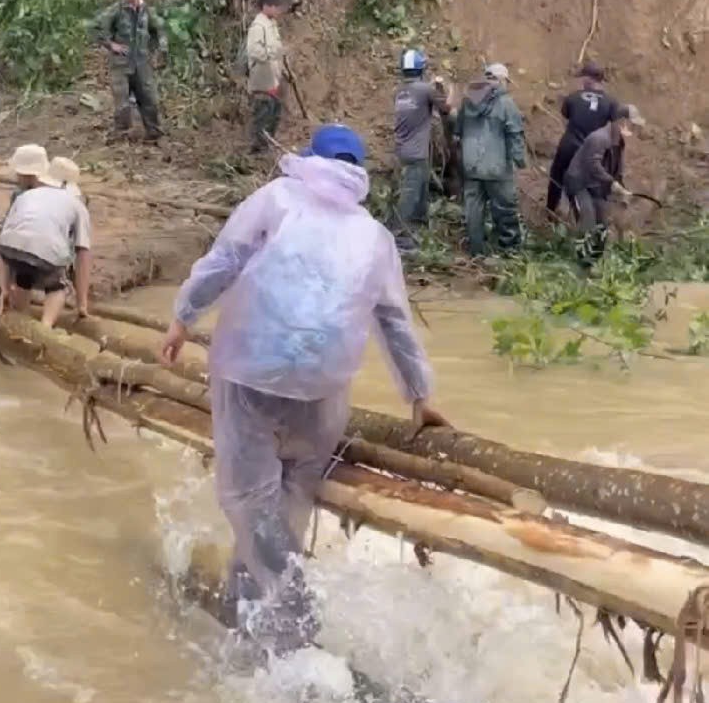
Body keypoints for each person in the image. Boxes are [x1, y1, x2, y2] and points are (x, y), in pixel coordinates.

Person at [161, 123, 444, 648]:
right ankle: (249, 600)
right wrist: (419, 396)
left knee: (250, 498)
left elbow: (223, 262)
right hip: (323, 390)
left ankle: (294, 620)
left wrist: (182, 317)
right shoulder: (374, 237)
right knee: (290, 496)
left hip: (249, 374)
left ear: (309, 158)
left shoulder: (277, 199)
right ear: (359, 175)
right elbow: (395, 323)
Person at [0, 149, 92, 327]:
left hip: (8, 248)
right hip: (44, 250)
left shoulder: (25, 195)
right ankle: (45, 327)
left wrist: (4, 288)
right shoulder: (77, 205)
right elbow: (83, 254)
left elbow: (6, 238)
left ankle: (21, 321)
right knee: (57, 286)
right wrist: (82, 304)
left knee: (23, 274)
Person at [454, 62, 525, 256]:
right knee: (505, 208)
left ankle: (476, 251)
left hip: (471, 166)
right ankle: (509, 250)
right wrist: (519, 160)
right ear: (501, 80)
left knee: (473, 211)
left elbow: (457, 130)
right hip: (496, 167)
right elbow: (514, 133)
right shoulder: (506, 103)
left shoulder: (468, 100)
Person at [89, 0, 167, 142]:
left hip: (142, 62)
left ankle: (153, 133)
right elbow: (95, 26)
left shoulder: (147, 11)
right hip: (121, 63)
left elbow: (159, 30)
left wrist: (158, 49)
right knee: (122, 103)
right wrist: (111, 45)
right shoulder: (116, 10)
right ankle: (122, 137)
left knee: (149, 98)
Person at [564, 107, 643, 263]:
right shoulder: (599, 138)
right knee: (588, 218)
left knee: (603, 222)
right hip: (579, 182)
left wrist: (622, 189)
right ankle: (583, 262)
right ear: (622, 122)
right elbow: (592, 164)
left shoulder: (619, 142)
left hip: (596, 185)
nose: (635, 129)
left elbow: (617, 170)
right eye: (633, 124)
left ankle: (596, 259)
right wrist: (612, 183)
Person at [547, 62, 623, 217]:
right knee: (589, 183)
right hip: (591, 149)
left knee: (556, 175)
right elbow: (615, 131)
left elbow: (566, 116)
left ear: (589, 79)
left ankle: (550, 211)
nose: (581, 81)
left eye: (583, 78)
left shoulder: (572, 97)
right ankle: (587, 218)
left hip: (569, 145)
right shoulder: (612, 102)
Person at [394, 49, 451, 250]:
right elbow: (446, 109)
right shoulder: (424, 89)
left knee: (420, 187)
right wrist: (443, 89)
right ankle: (400, 237)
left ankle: (419, 226)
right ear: (421, 68)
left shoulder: (401, 91)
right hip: (417, 153)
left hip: (404, 150)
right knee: (410, 195)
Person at [245, 0, 288, 152]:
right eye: (275, 6)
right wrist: (274, 53)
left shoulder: (271, 24)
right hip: (262, 78)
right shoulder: (258, 26)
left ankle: (267, 145)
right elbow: (255, 52)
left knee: (274, 113)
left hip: (272, 77)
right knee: (262, 114)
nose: (278, 10)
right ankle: (257, 149)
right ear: (266, 7)